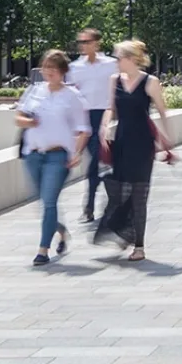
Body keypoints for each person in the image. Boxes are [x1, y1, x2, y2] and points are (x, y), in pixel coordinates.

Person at [95, 39, 178, 262]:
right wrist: (103, 129)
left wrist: (167, 141)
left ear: (131, 60)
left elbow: (162, 111)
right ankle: (123, 231)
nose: (116, 61)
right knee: (118, 191)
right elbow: (111, 108)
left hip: (143, 145)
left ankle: (139, 246)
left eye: (119, 57)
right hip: (121, 141)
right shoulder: (115, 80)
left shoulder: (150, 82)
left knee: (139, 195)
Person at [16, 50, 91, 266]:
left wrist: (76, 153)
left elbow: (84, 129)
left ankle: (42, 250)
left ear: (63, 72)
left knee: (49, 201)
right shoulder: (34, 90)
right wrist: (27, 122)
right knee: (43, 202)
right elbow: (19, 116)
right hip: (33, 154)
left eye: (54, 69)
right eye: (46, 67)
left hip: (58, 156)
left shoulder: (72, 96)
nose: (49, 72)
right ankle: (61, 231)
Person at [69, 29, 120, 224]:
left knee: (97, 160)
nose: (83, 45)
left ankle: (91, 205)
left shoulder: (110, 65)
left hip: (105, 116)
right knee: (95, 160)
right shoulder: (75, 68)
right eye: (80, 42)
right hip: (85, 117)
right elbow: (72, 94)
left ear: (97, 43)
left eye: (87, 41)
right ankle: (93, 204)